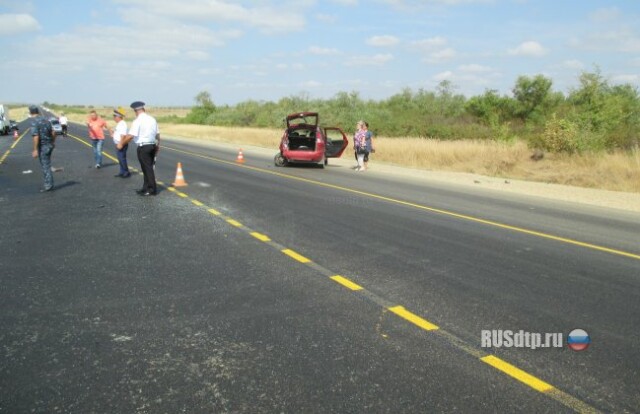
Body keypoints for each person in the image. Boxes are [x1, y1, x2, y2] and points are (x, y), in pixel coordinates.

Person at [118, 101, 160, 196]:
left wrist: (121, 143)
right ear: (143, 109)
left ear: (135, 111)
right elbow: (158, 134)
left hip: (143, 147)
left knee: (147, 168)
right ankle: (145, 188)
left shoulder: (137, 121)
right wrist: (158, 145)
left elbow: (131, 135)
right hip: (152, 145)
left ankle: (152, 189)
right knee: (147, 168)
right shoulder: (152, 119)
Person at [29, 105, 56, 192]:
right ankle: (49, 183)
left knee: (45, 166)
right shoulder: (46, 120)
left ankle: (48, 185)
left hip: (43, 146)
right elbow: (53, 132)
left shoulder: (34, 122)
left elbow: (36, 136)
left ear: (30, 112)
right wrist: (52, 142)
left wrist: (35, 149)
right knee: (47, 164)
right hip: (49, 145)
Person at [110, 107, 130, 178]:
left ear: (119, 117)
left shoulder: (122, 124)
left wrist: (120, 144)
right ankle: (122, 171)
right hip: (118, 143)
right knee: (120, 158)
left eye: (115, 116)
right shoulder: (119, 124)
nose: (114, 118)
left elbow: (123, 135)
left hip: (121, 144)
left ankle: (126, 172)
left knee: (122, 158)